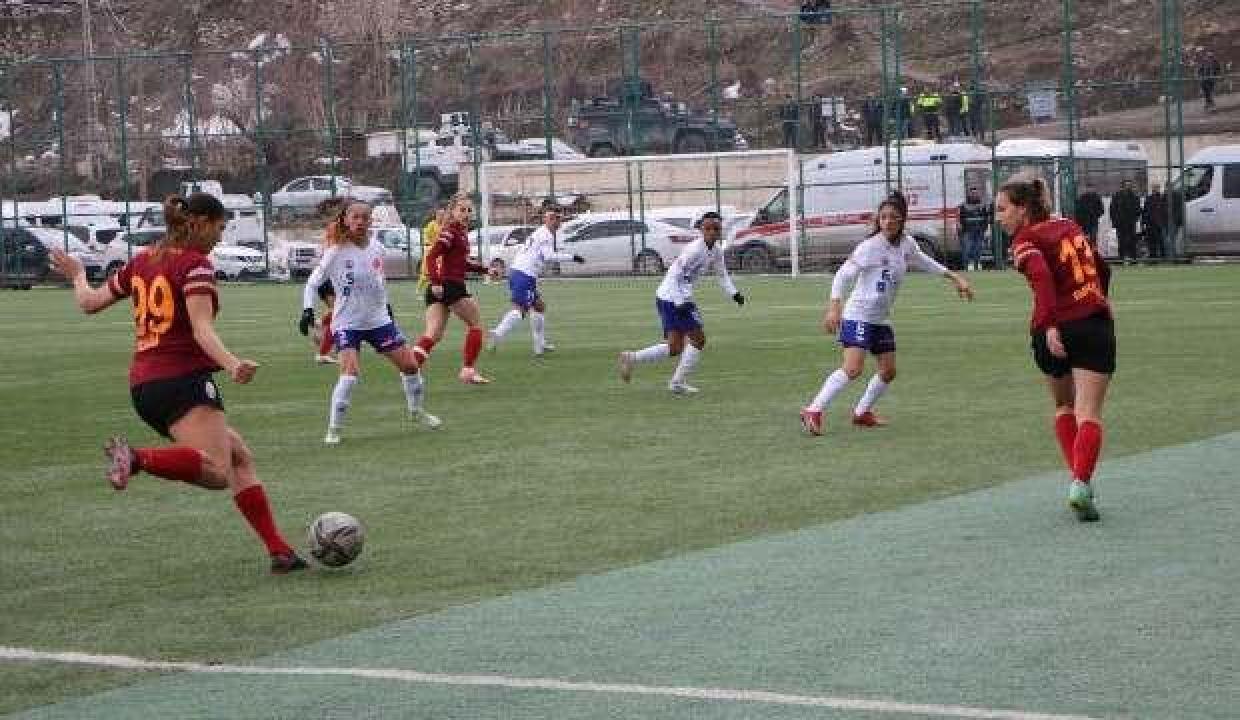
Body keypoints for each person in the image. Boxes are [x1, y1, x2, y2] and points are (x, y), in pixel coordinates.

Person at [49, 194, 307, 574]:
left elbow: (89, 303)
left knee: (238, 456)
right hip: (182, 381)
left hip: (144, 388)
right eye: (219, 228)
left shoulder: (143, 261)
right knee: (217, 472)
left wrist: (77, 274)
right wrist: (233, 365)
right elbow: (202, 330)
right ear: (200, 223)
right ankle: (136, 458)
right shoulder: (195, 265)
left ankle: (279, 551)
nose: (220, 237)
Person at [800, 195, 972, 436]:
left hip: (880, 319)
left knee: (888, 371)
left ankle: (861, 413)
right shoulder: (870, 247)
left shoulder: (906, 244)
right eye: (883, 217)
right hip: (858, 316)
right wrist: (834, 307)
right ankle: (813, 410)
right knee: (852, 369)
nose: (888, 222)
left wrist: (955, 278)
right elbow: (842, 276)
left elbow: (924, 261)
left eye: (893, 217)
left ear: (903, 220)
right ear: (878, 220)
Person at [995, 174, 1115, 522]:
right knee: (1088, 412)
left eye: (1002, 209)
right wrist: (1099, 297)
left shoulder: (1025, 240)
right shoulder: (1070, 226)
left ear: (1023, 209)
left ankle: (1078, 480)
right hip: (1092, 323)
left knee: (1064, 406)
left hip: (1051, 330)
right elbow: (1102, 268)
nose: (998, 217)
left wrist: (1049, 325)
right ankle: (1081, 482)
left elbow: (1042, 277)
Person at [299, 200, 440, 445]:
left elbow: (378, 283)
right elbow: (312, 283)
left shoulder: (378, 248)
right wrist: (307, 310)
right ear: (345, 220)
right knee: (350, 374)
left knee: (410, 366)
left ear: (371, 221)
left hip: (378, 321)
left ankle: (416, 411)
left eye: (365, 217)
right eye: (355, 217)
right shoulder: (336, 251)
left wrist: (387, 310)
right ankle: (334, 429)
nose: (360, 222)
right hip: (347, 323)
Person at [618, 212, 744, 395]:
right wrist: (679, 302)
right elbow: (675, 274)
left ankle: (631, 358)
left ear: (720, 230)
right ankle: (677, 383)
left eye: (716, 228)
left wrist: (734, 294)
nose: (712, 232)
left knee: (675, 347)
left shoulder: (716, 250)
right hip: (672, 297)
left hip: (672, 297)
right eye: (708, 228)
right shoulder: (694, 250)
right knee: (699, 339)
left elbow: (722, 275)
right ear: (701, 229)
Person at [412, 195, 493, 384]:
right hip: (450, 286)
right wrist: (436, 282)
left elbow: (462, 263)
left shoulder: (460, 233)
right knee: (475, 324)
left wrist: (485, 270)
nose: (466, 214)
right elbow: (431, 256)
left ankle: (410, 371)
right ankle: (468, 370)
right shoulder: (451, 232)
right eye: (462, 210)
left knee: (433, 334)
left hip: (441, 288)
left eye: (469, 210)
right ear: (453, 211)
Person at [488, 208, 585, 356]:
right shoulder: (546, 234)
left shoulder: (541, 232)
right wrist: (572, 257)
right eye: (553, 218)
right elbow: (548, 256)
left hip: (519, 272)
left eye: (558, 218)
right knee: (520, 311)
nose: (557, 221)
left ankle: (539, 346)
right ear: (547, 220)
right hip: (524, 275)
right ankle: (498, 333)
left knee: (539, 306)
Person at [1108, 180, 1142, 264]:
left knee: (1132, 241)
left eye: (1129, 185)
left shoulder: (1134, 196)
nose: (1128, 187)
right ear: (1122, 186)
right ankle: (1121, 259)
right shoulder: (1117, 196)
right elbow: (1112, 210)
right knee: (1121, 241)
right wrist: (1115, 221)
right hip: (1120, 223)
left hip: (1131, 223)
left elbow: (1138, 209)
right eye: (1126, 185)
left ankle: (1133, 260)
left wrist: (1135, 219)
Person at [958, 185, 991, 271]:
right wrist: (960, 226)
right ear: (969, 194)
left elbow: (986, 218)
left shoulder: (983, 205)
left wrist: (987, 229)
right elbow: (959, 218)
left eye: (976, 193)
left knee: (978, 250)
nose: (974, 195)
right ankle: (967, 267)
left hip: (980, 231)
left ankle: (976, 266)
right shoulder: (963, 205)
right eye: (972, 193)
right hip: (967, 231)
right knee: (967, 250)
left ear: (978, 194)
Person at [1141, 183, 1168, 260]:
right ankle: (1153, 257)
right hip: (1150, 223)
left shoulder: (1163, 198)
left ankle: (1163, 257)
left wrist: (1163, 221)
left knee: (1161, 241)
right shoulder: (1148, 198)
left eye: (1157, 188)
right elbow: (1145, 210)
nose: (1155, 189)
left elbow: (1165, 210)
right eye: (1154, 188)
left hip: (1160, 223)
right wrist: (1144, 222)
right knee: (1151, 242)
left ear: (1159, 189)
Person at [1073, 183, 1105, 247]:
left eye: (1091, 188)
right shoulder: (1082, 198)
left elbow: (1101, 210)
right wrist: (1079, 220)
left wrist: (1095, 215)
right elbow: (1078, 210)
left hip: (1093, 221)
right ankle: (1086, 249)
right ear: (1086, 189)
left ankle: (1093, 249)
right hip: (1084, 222)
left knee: (1093, 238)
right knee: (1085, 238)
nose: (1090, 190)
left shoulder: (1096, 198)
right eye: (1088, 188)